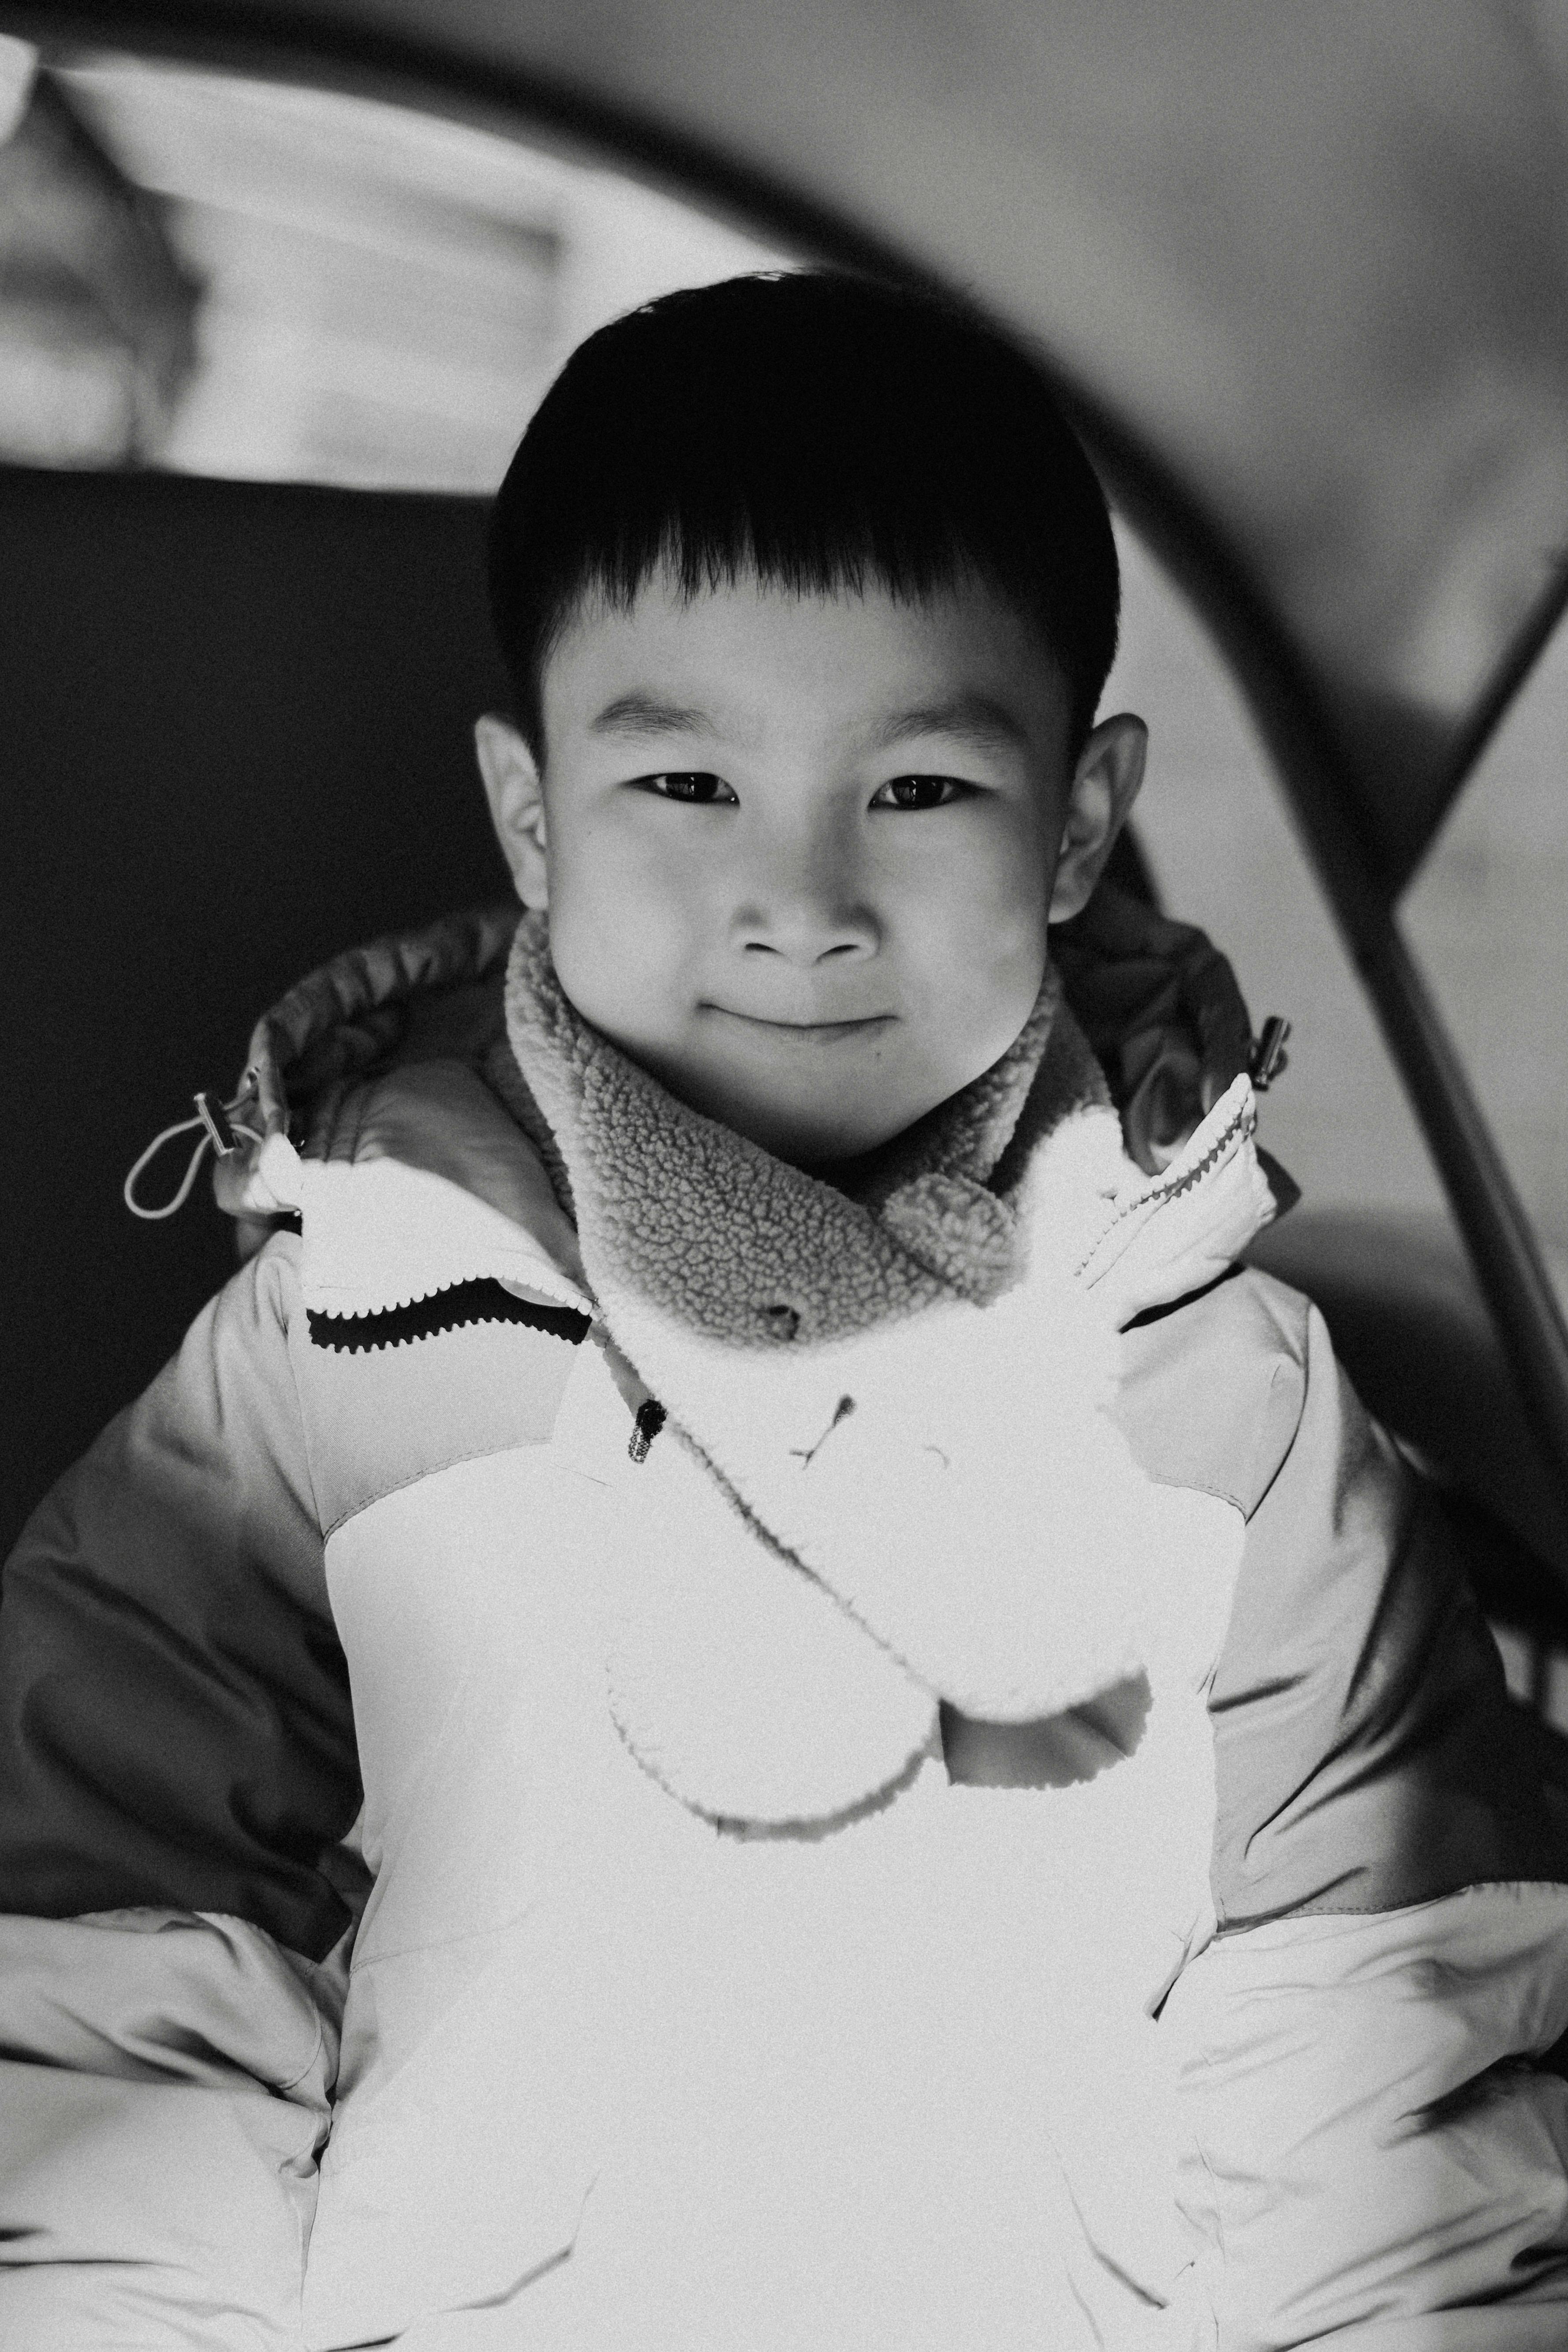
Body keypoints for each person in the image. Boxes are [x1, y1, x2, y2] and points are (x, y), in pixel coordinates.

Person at [3, 269, 1567, 2352]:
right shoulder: (346, 1348)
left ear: (1081, 820)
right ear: (533, 816)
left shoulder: (1216, 1410)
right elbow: (109, 1984)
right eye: (685, 788)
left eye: (915, 790)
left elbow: (1379, 2049)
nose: (802, 900)